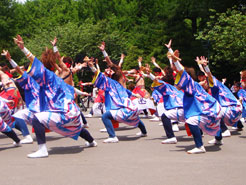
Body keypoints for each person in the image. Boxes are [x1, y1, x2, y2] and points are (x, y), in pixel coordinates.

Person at [7, 35, 97, 158]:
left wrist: (24, 49)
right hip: (68, 110)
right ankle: (92, 141)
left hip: (62, 111)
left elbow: (36, 63)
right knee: (75, 127)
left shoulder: (50, 76)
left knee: (37, 118)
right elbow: (71, 88)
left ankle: (42, 149)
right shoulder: (56, 78)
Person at [166, 40, 222, 154]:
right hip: (211, 108)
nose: (177, 80)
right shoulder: (192, 86)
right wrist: (170, 51)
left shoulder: (190, 84)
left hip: (210, 109)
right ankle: (219, 138)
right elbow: (179, 71)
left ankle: (200, 146)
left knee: (191, 120)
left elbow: (181, 71)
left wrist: (175, 60)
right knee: (204, 122)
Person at [86, 42, 147, 143]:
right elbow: (126, 90)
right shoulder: (120, 81)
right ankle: (144, 132)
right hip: (130, 106)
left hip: (123, 107)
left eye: (110, 69)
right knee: (134, 118)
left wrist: (100, 56)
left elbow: (102, 72)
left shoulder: (113, 81)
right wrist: (133, 94)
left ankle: (112, 136)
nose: (108, 69)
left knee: (105, 116)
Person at [198, 56, 242, 144]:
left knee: (213, 114)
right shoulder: (218, 85)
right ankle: (220, 137)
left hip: (230, 110)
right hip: (236, 109)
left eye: (205, 83)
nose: (205, 85)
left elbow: (209, 75)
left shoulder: (213, 85)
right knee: (215, 111)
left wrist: (206, 66)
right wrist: (201, 66)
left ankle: (224, 131)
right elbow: (208, 75)